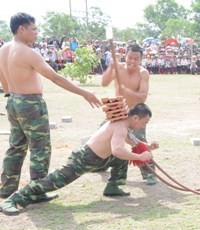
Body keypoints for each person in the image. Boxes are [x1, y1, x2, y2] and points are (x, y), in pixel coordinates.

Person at [0, 12, 101, 202]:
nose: (36, 33)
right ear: (21, 29)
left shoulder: (4, 49)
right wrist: (84, 93)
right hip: (30, 103)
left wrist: (11, 95)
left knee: (16, 147)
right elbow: (55, 77)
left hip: (13, 100)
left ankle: (6, 189)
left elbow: (2, 76)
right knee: (40, 149)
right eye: (34, 29)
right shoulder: (28, 52)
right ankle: (36, 191)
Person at [0, 104, 158, 216]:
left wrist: (148, 147)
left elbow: (132, 142)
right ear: (136, 118)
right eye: (144, 122)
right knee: (54, 181)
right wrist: (139, 157)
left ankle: (113, 187)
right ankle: (13, 199)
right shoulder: (121, 126)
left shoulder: (123, 125)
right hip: (85, 158)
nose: (143, 126)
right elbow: (117, 150)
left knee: (120, 160)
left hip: (100, 158)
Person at [101, 44, 158, 186]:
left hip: (135, 114)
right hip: (118, 111)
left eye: (136, 59)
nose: (132, 61)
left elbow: (143, 97)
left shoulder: (143, 73)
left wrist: (127, 91)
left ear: (141, 60)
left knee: (138, 142)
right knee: (102, 136)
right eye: (130, 58)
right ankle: (100, 164)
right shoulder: (118, 68)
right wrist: (111, 68)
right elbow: (104, 82)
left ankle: (149, 173)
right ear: (125, 56)